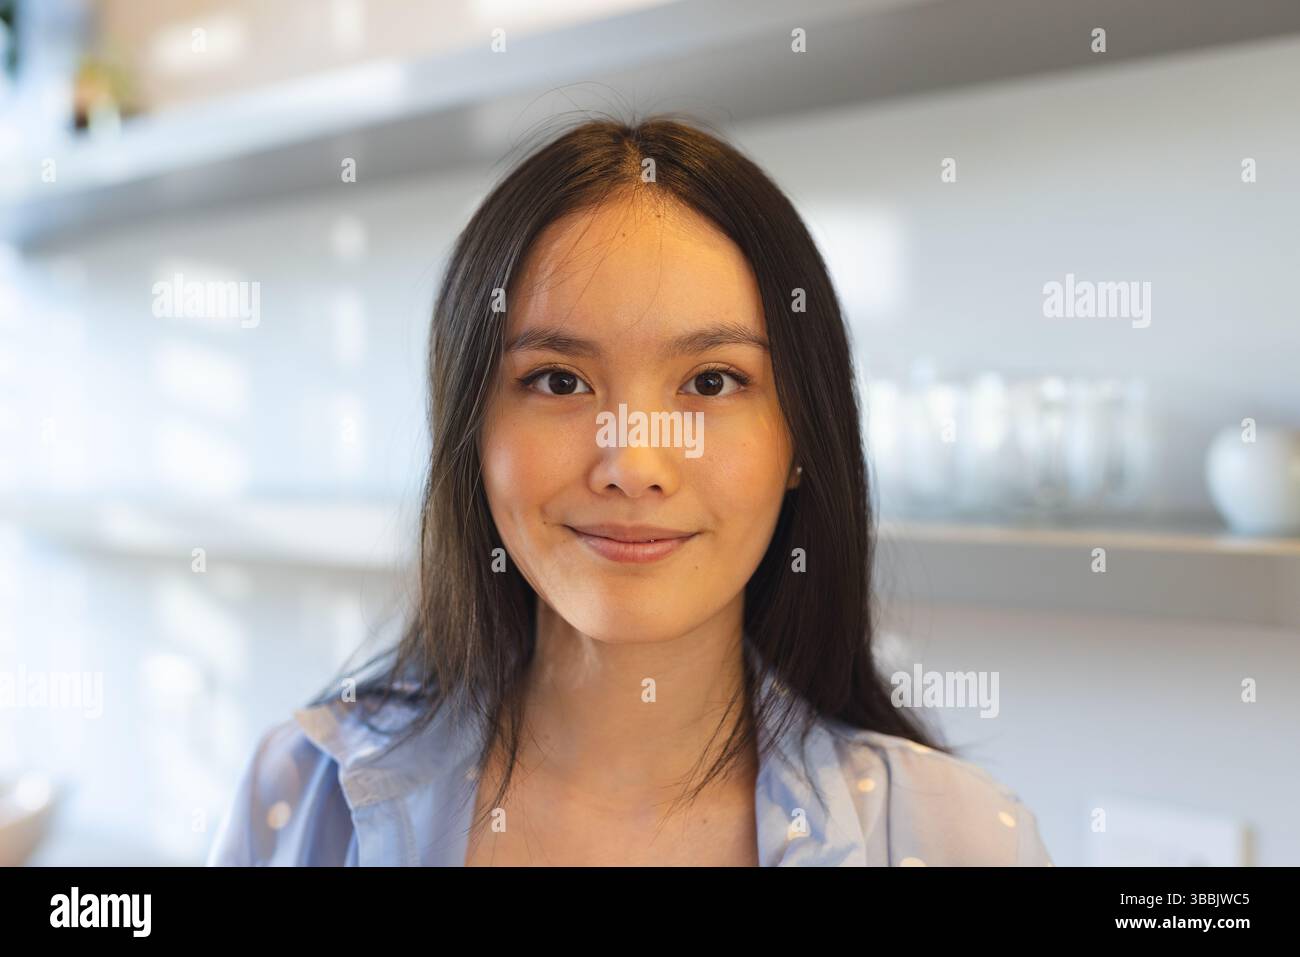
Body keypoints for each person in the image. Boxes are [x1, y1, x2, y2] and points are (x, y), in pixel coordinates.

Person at [207, 115, 1053, 867]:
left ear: (802, 436)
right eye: (559, 382)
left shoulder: (963, 841)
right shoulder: (297, 799)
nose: (633, 463)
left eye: (713, 382)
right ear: (472, 430)